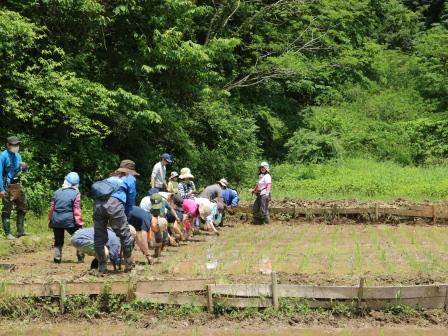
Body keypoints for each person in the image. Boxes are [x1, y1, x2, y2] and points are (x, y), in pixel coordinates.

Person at [93, 164, 137, 273]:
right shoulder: (130, 179)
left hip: (98, 205)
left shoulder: (107, 179)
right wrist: (126, 216)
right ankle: (128, 265)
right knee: (125, 236)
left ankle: (102, 266)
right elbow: (130, 200)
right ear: (128, 172)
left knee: (99, 236)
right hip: (115, 205)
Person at [48, 172, 85, 263]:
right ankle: (80, 257)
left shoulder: (57, 192)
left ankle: (57, 258)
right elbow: (76, 210)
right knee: (78, 237)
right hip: (70, 221)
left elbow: (52, 208)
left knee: (58, 240)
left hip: (56, 220)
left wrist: (50, 219)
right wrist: (79, 222)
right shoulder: (76, 193)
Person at [0, 136, 28, 240]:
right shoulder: (3, 156)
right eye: (14, 144)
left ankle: (20, 231)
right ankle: (8, 233)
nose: (16, 146)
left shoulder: (18, 156)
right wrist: (1, 189)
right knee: (7, 209)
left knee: (23, 205)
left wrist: (25, 167)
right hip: (6, 185)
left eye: (17, 144)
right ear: (7, 145)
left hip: (16, 184)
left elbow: (22, 170)